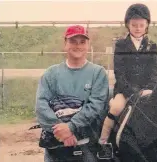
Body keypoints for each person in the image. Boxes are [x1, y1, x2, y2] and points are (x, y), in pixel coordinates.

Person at [35, 25, 109, 162]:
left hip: (86, 146)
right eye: (73, 41)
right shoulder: (51, 74)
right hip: (55, 145)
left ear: (88, 45)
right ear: (65, 44)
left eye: (82, 42)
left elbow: (96, 107)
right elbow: (41, 106)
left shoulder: (97, 73)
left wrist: (71, 127)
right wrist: (63, 133)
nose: (78, 46)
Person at [99, 3, 157, 145]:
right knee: (116, 107)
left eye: (141, 25)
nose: (138, 28)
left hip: (146, 89)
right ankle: (103, 142)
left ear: (146, 25)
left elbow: (154, 71)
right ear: (128, 25)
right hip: (125, 89)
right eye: (134, 25)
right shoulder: (121, 44)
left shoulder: (152, 45)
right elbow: (119, 72)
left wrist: (149, 88)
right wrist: (130, 92)